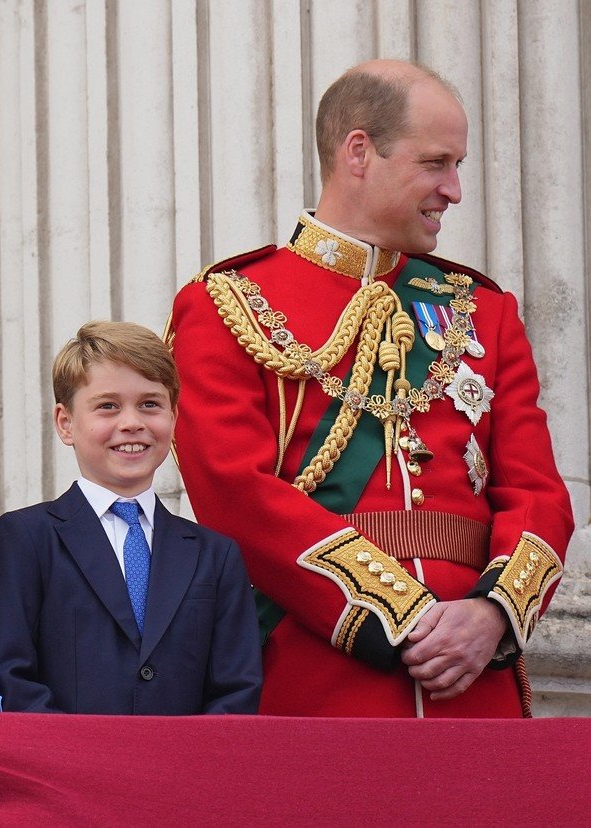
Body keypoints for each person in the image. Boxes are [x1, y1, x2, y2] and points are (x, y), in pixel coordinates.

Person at [167, 60, 574, 717]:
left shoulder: (482, 310)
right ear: (359, 151)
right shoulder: (226, 303)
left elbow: (538, 494)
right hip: (315, 679)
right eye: (437, 163)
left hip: (475, 685)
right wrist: (402, 613)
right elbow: (234, 493)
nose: (455, 189)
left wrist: (492, 615)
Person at [0, 321, 262, 714]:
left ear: (174, 417)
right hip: (63, 768)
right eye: (107, 406)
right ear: (65, 423)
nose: (132, 422)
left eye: (150, 404)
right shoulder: (25, 538)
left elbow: (236, 689)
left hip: (183, 768)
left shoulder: (215, 554)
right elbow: (9, 676)